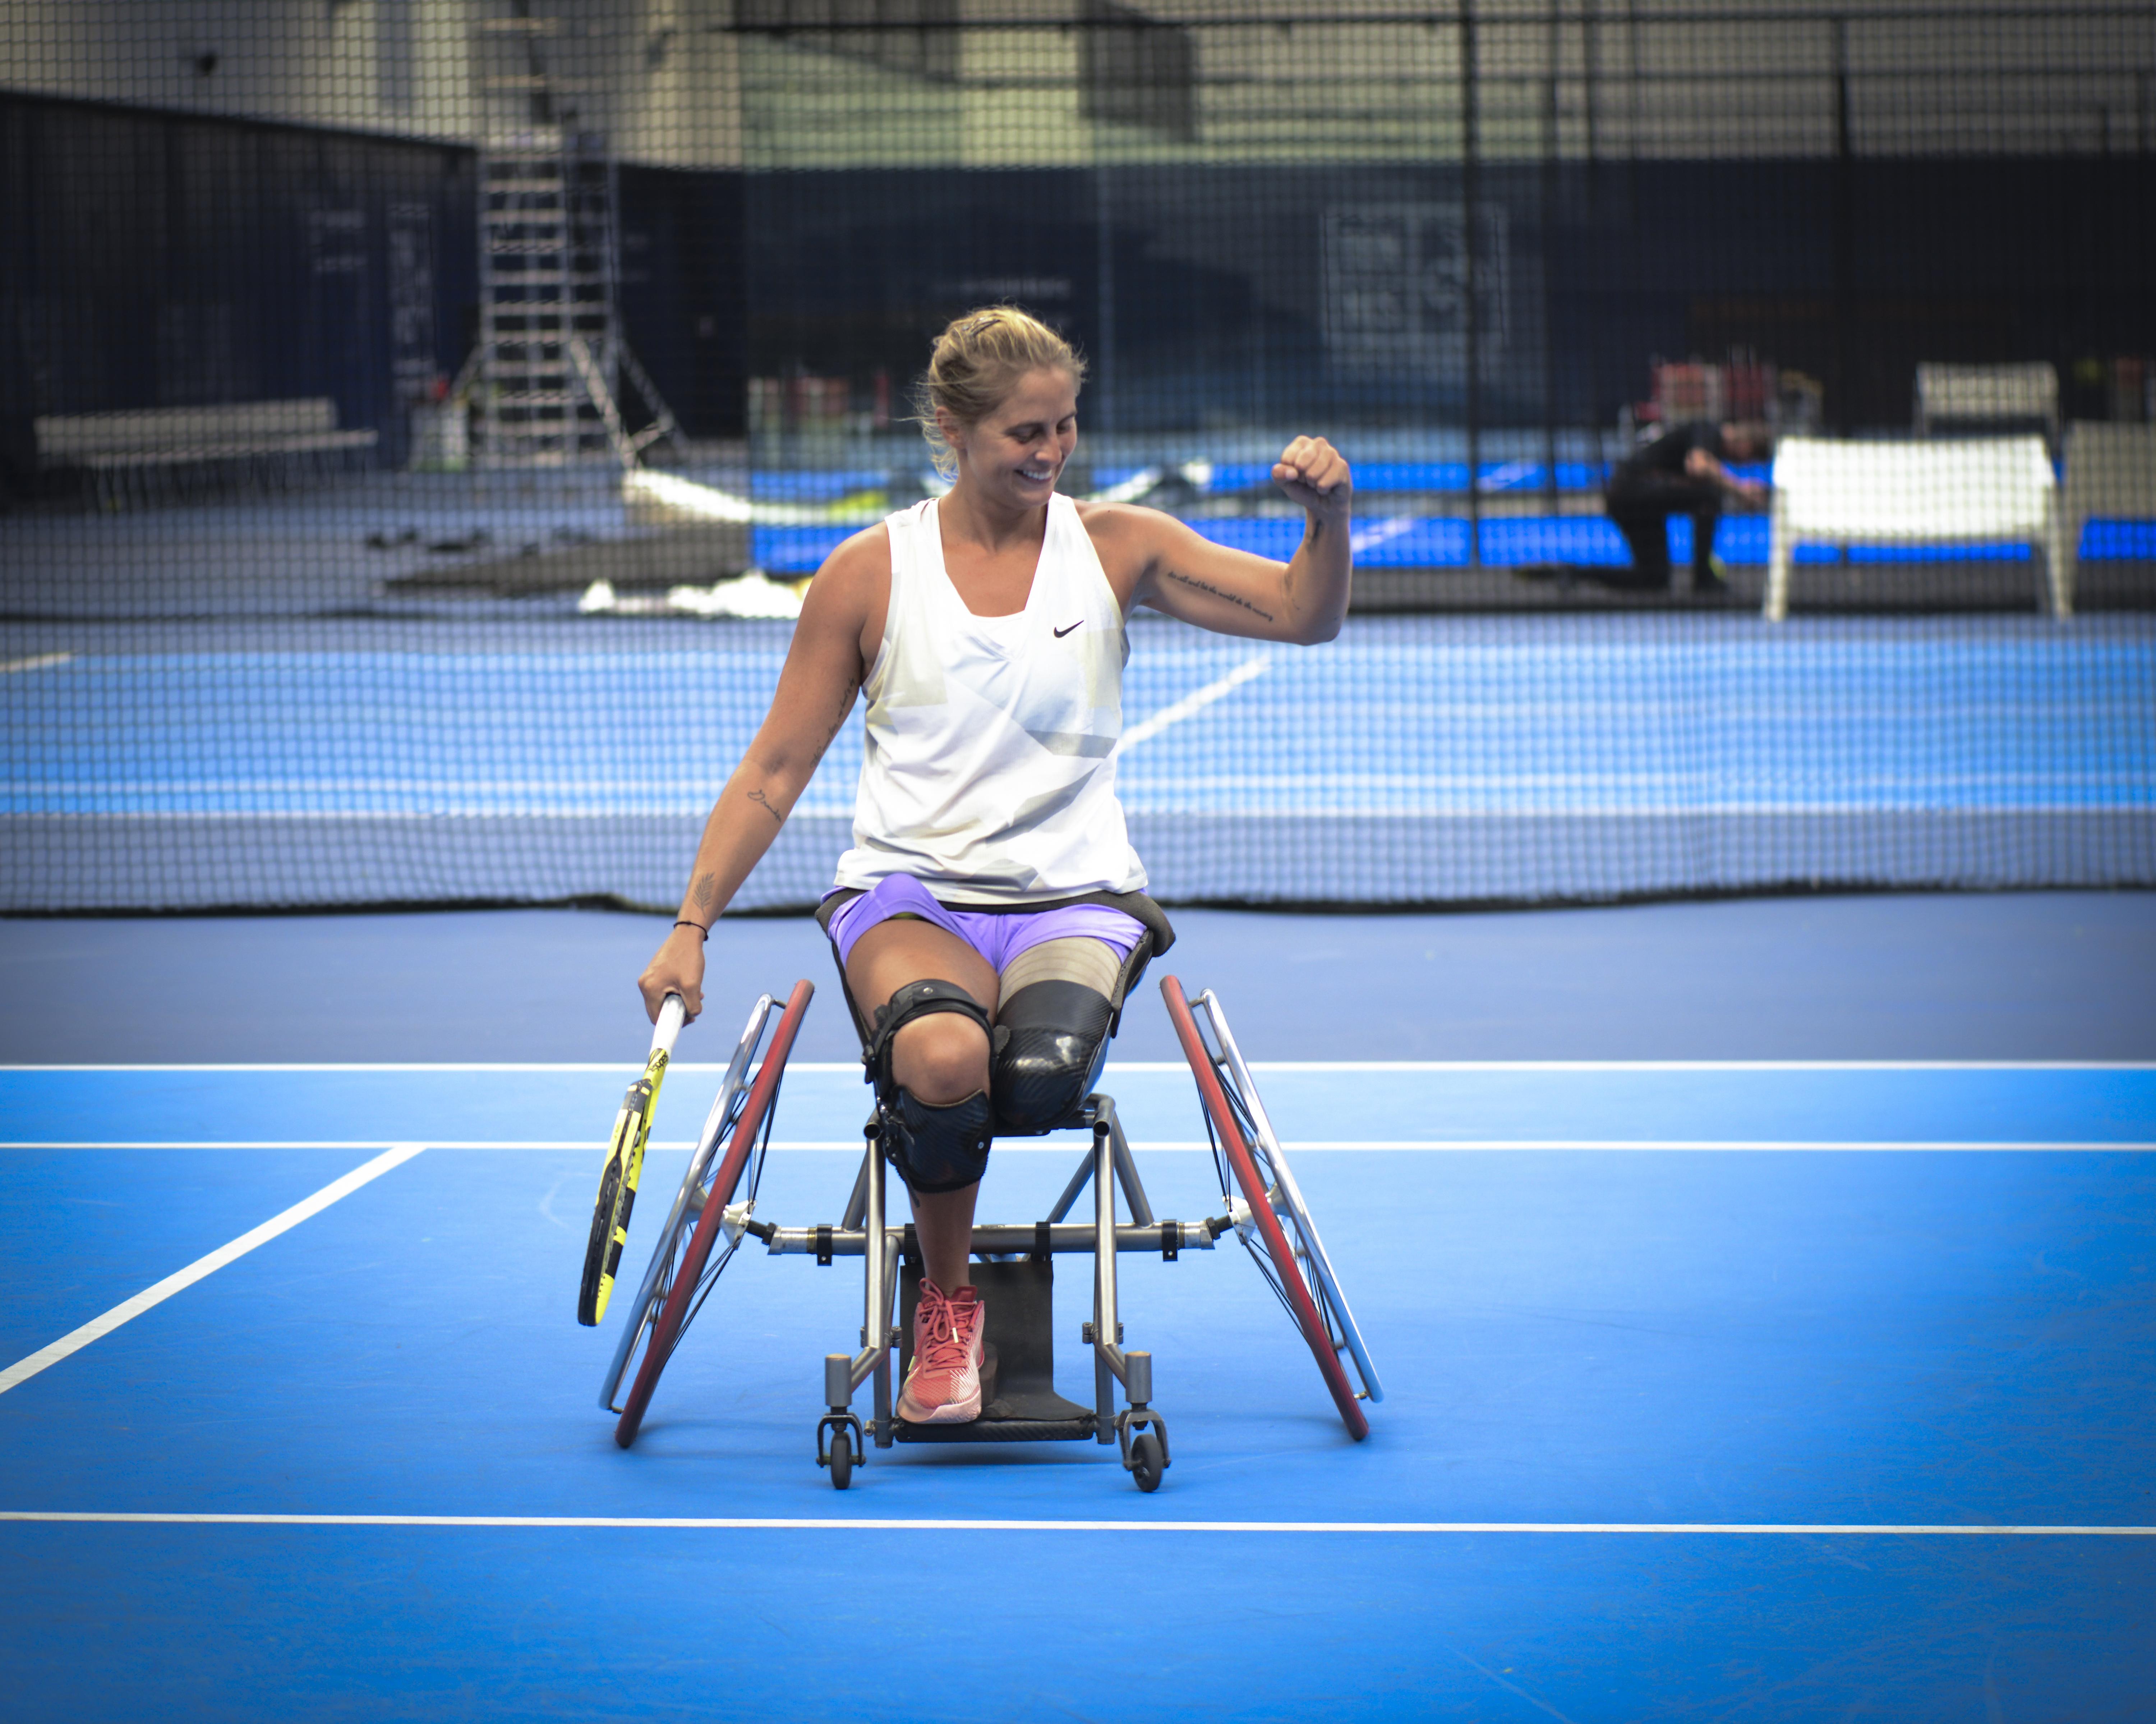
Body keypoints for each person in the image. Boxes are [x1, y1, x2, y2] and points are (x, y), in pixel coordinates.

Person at [635, 305, 1353, 1425]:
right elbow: (775, 768)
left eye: (1065, 427)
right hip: (910, 897)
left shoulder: (1121, 548)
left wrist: (1327, 522)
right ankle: (948, 1307)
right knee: (938, 1060)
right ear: (951, 427)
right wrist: (691, 924)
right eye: (1025, 431)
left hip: (1075, 897)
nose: (1051, 451)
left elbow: (1304, 617)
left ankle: (960, 1250)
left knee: (1039, 1084)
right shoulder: (868, 574)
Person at [1598, 420, 1769, 596]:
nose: (1742, 464)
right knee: (1709, 497)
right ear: (1747, 447)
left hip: (1640, 505)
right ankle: (1704, 579)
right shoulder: (1707, 429)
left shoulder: (1709, 441)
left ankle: (1575, 574)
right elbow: (1700, 466)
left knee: (1654, 580)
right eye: (1749, 459)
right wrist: (1740, 490)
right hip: (1630, 493)